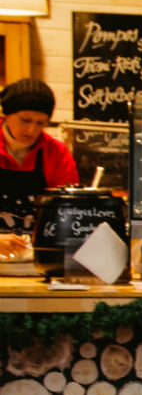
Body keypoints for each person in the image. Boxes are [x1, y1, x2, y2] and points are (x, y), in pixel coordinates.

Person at [0, 78, 79, 259]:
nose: (31, 130)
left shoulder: (56, 153)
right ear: (7, 115)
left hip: (34, 257)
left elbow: (69, 210)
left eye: (40, 123)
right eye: (25, 120)